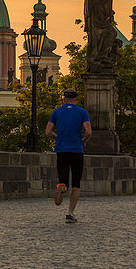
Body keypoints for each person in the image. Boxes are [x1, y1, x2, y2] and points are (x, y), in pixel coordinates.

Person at [46, 88, 92, 223]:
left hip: (62, 150)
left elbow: (48, 132)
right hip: (77, 150)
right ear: (76, 99)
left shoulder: (57, 112)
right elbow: (88, 131)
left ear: (64, 99)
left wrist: (57, 137)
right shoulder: (82, 112)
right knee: (76, 184)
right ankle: (70, 213)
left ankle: (62, 187)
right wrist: (83, 141)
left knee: (63, 181)